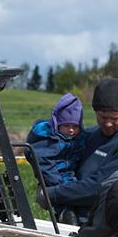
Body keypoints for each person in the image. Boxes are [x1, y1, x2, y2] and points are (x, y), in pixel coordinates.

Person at [38, 78, 118, 224]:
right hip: (72, 219)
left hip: (103, 225)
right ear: (94, 111)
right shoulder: (90, 135)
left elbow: (99, 186)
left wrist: (52, 194)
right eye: (102, 117)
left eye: (114, 118)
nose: (108, 123)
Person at [27, 92, 85, 223]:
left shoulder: (77, 139)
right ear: (57, 124)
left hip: (70, 178)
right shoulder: (49, 141)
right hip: (54, 179)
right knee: (66, 204)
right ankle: (63, 215)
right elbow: (44, 165)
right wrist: (59, 185)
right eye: (67, 126)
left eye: (75, 126)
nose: (71, 130)